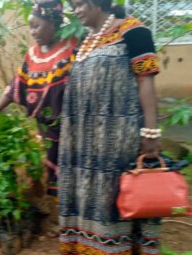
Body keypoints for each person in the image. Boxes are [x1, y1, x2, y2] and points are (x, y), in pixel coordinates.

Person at [57, 0, 161, 253]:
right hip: (82, 141)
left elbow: (145, 82)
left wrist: (150, 132)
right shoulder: (88, 40)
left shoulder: (135, 32)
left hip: (115, 140)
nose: (76, 10)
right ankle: (86, 245)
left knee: (115, 196)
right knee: (86, 195)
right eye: (73, 5)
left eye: (80, 4)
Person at [0, 0, 76, 236]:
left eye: (37, 26)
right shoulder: (32, 55)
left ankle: (74, 220)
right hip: (47, 131)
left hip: (74, 130)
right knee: (51, 173)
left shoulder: (73, 48)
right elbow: (15, 86)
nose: (33, 32)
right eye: (30, 27)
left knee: (71, 172)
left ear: (53, 22)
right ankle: (57, 220)